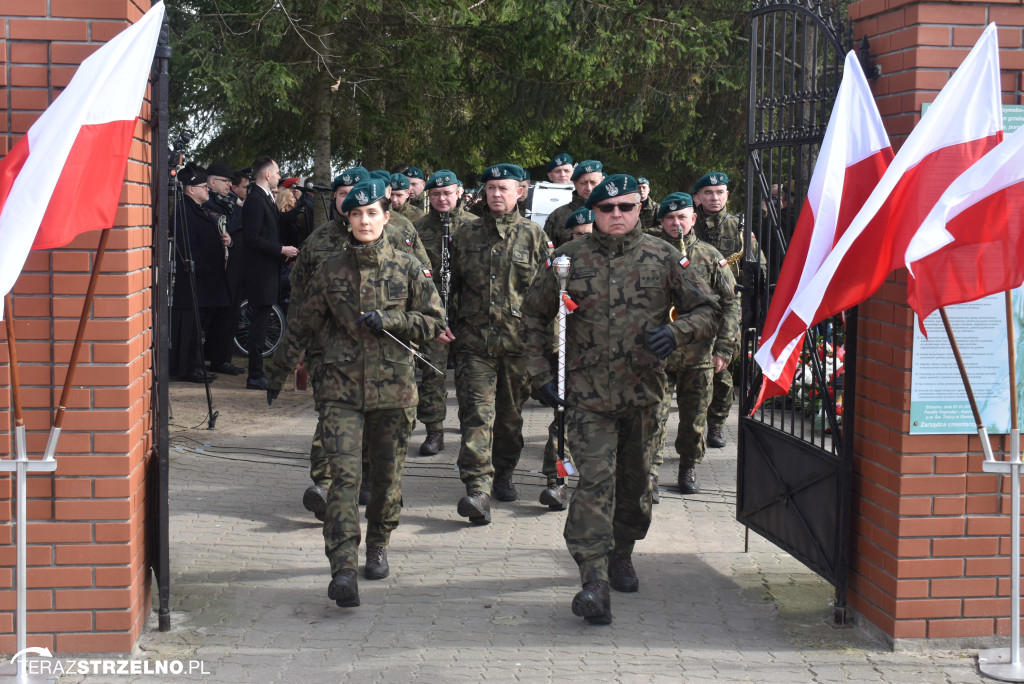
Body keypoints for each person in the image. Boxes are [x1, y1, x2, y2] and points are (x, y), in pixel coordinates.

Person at [520, 174, 720, 625]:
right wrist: (538, 374)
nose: (616, 216)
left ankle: (623, 551)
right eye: (607, 208)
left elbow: (708, 310)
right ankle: (593, 580)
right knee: (594, 482)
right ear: (593, 210)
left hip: (644, 394)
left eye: (625, 208)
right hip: (587, 396)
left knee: (634, 487)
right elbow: (532, 317)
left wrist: (675, 332)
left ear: (637, 210)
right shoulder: (567, 260)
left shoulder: (665, 256)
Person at [265, 178, 445, 608]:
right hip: (340, 390)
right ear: (347, 220)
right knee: (344, 480)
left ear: (386, 217)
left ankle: (378, 543)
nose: (364, 221)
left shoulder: (407, 267)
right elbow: (303, 322)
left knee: (386, 481)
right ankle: (343, 567)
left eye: (372, 213)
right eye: (356, 214)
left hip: (395, 392)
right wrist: (278, 373)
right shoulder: (330, 270)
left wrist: (393, 320)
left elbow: (434, 323)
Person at [443, 163, 552, 525]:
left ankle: (504, 471)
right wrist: (443, 326)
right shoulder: (465, 234)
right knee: (476, 417)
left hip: (518, 347)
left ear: (520, 192)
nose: (496, 194)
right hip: (474, 345)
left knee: (509, 420)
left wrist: (547, 348)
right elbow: (450, 288)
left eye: (503, 188)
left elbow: (547, 297)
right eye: (490, 188)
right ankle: (477, 488)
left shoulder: (534, 236)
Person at [649, 193, 740, 497]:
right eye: (670, 218)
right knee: (652, 417)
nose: (677, 223)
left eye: (682, 217)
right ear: (661, 221)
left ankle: (688, 465)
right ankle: (649, 472)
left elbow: (729, 304)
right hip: (657, 355)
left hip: (699, 354)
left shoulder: (711, 257)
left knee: (694, 419)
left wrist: (725, 349)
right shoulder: (649, 253)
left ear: (693, 219)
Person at [692, 171, 765, 448]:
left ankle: (717, 424)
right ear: (697, 197)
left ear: (727, 196)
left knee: (721, 373)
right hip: (689, 310)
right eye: (708, 192)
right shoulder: (687, 223)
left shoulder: (740, 228)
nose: (714, 197)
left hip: (727, 310)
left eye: (720, 192)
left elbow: (759, 270)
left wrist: (752, 309)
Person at [412, 170, 475, 456]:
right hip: (433, 315)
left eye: (447, 192)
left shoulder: (476, 226)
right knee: (432, 375)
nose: (441, 198)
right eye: (435, 194)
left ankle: (470, 429)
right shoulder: (419, 227)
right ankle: (434, 432)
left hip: (468, 315)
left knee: (469, 376)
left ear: (459, 192)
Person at [537, 206, 593, 512]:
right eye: (579, 234)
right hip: (570, 351)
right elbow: (540, 310)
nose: (585, 238)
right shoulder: (562, 261)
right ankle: (557, 482)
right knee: (563, 420)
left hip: (613, 358)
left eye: (590, 233)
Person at [170, 164, 231, 383]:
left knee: (200, 327)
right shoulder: (183, 211)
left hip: (207, 280)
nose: (208, 190)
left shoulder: (200, 210)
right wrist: (203, 269)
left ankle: (195, 365)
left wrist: (225, 240)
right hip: (195, 280)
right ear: (190, 189)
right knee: (191, 326)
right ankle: (188, 367)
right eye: (204, 186)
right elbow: (189, 247)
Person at [242, 156, 299, 391]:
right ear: (266, 175)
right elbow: (252, 237)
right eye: (277, 173)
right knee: (259, 323)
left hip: (268, 271)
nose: (279, 176)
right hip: (260, 272)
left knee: (263, 322)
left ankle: (258, 371)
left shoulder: (264, 197)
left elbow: (273, 225)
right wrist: (281, 249)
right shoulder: (255, 199)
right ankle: (255, 374)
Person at [202, 162, 246, 376]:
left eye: (231, 181)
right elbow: (227, 226)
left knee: (230, 314)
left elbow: (236, 228)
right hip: (215, 267)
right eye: (225, 181)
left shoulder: (229, 202)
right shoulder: (208, 202)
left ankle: (222, 358)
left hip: (232, 265)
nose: (230, 185)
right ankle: (213, 358)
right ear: (212, 182)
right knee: (217, 315)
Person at [543, 160, 604, 248]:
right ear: (575, 183)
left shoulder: (613, 212)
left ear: (602, 181)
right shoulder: (558, 215)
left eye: (593, 183)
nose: (589, 188)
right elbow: (546, 251)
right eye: (583, 183)